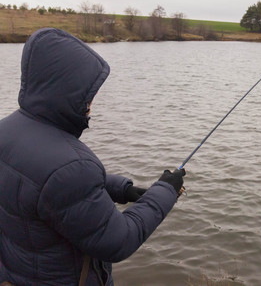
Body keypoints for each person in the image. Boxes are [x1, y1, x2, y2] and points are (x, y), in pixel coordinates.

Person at [0, 28, 186, 285]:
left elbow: (48, 183)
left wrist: (124, 189)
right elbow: (119, 240)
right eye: (88, 94)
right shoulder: (69, 166)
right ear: (67, 91)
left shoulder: (7, 131)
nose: (91, 103)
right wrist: (165, 191)